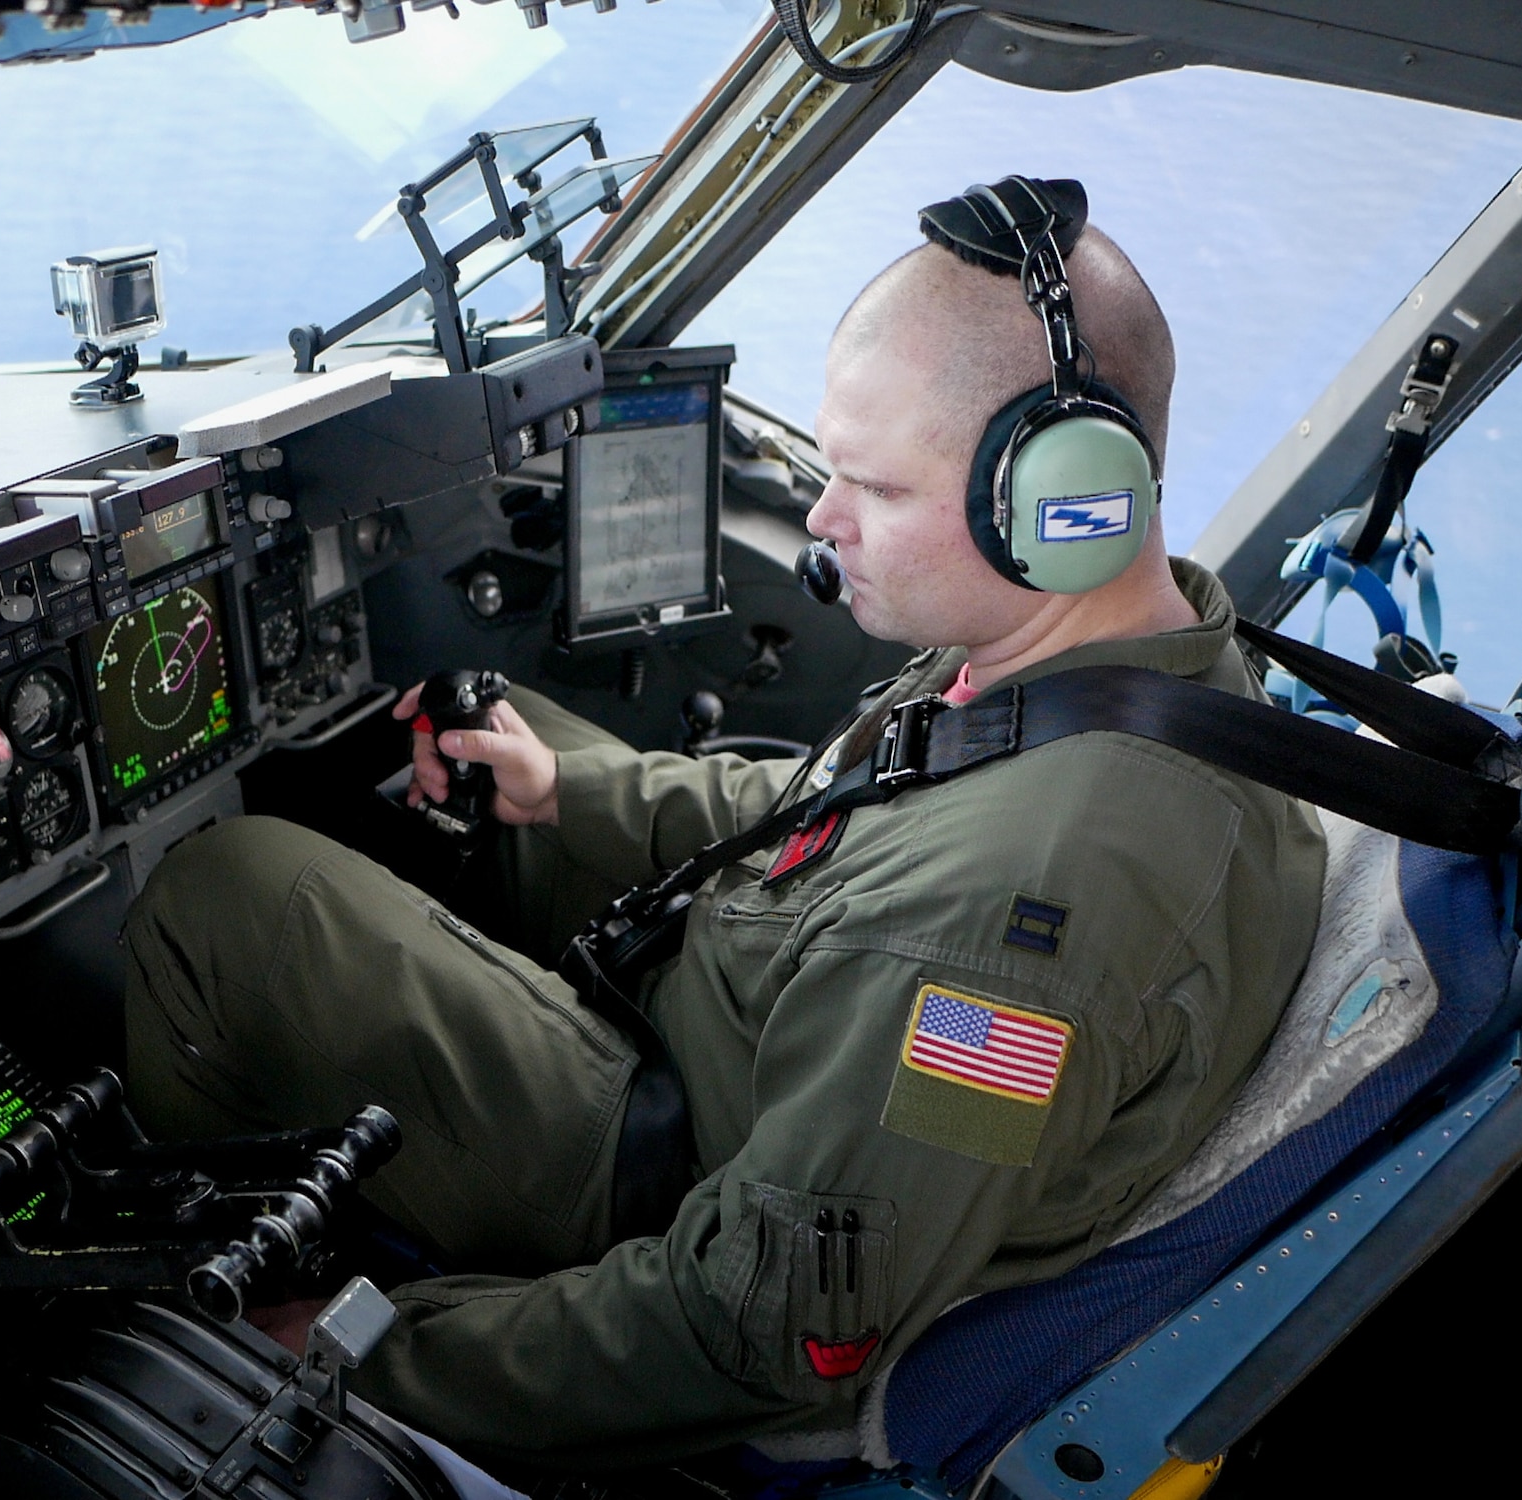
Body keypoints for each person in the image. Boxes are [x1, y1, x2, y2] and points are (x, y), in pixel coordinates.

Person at [121, 188, 1327, 1470]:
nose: (821, 518)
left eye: (870, 485)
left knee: (228, 900)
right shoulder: (1114, 657)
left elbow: (751, 1331)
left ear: (1060, 500)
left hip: (677, 1168)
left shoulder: (1004, 937)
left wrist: (347, 1350)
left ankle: (217, 1291)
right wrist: (565, 795)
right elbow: (843, 800)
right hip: (768, 1019)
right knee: (503, 732)